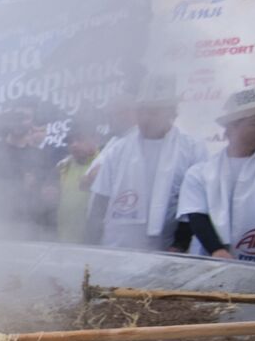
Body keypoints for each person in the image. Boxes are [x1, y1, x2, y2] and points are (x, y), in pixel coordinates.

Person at [87, 76, 207, 251]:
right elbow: (100, 199)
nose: (145, 118)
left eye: (153, 112)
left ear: (172, 114)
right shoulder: (118, 149)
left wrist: (180, 244)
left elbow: (194, 204)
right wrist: (90, 244)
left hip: (166, 249)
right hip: (117, 246)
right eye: (141, 111)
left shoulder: (191, 149)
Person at [178, 87, 255, 263]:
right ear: (233, 126)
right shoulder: (200, 173)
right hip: (215, 265)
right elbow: (197, 216)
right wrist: (217, 250)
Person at [55, 121, 99, 243]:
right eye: (70, 141)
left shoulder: (102, 164)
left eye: (80, 139)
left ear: (95, 139)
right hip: (64, 239)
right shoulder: (64, 166)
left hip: (92, 241)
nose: (74, 145)